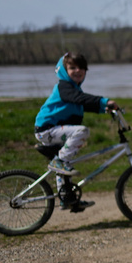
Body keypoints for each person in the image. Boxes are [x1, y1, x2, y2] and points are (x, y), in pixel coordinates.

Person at [34, 53, 117, 211]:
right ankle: (59, 163)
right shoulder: (64, 87)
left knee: (66, 164)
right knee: (82, 132)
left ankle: (67, 199)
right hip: (47, 129)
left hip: (55, 130)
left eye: (82, 68)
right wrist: (104, 101)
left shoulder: (74, 89)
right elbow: (79, 99)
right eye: (72, 67)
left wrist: (103, 108)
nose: (78, 70)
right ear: (64, 70)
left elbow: (84, 104)